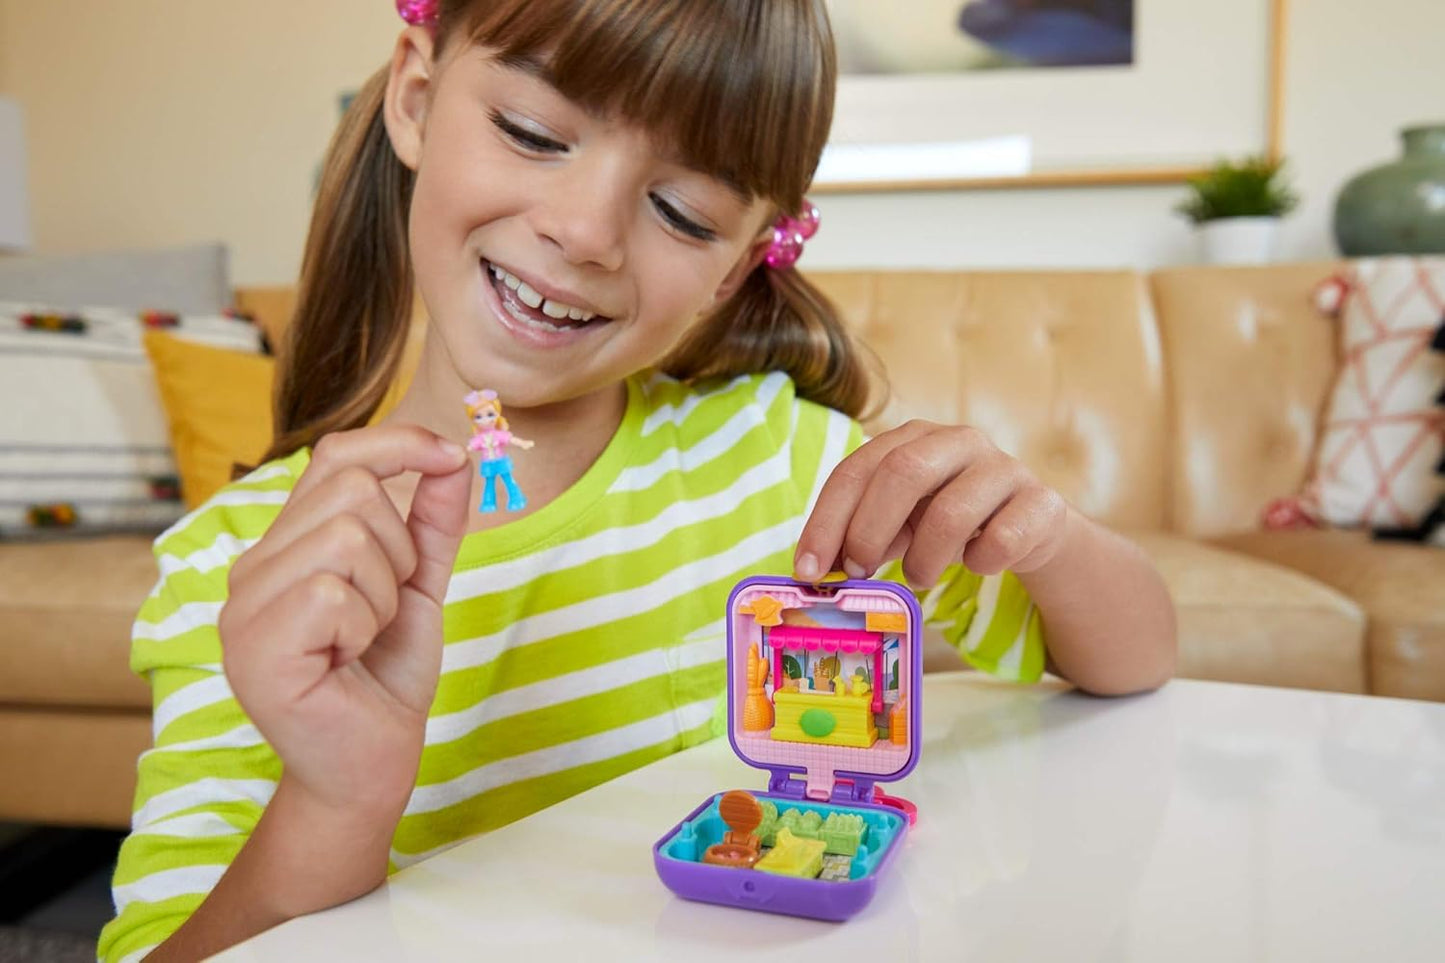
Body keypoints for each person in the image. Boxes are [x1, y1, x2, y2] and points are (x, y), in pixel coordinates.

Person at [98, 1, 1175, 959]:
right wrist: (335, 802)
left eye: (684, 212)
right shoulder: (240, 566)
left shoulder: (786, 464)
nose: (584, 232)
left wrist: (1044, 535)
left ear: (737, 265)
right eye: (531, 133)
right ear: (417, 98)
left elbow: (1137, 660)